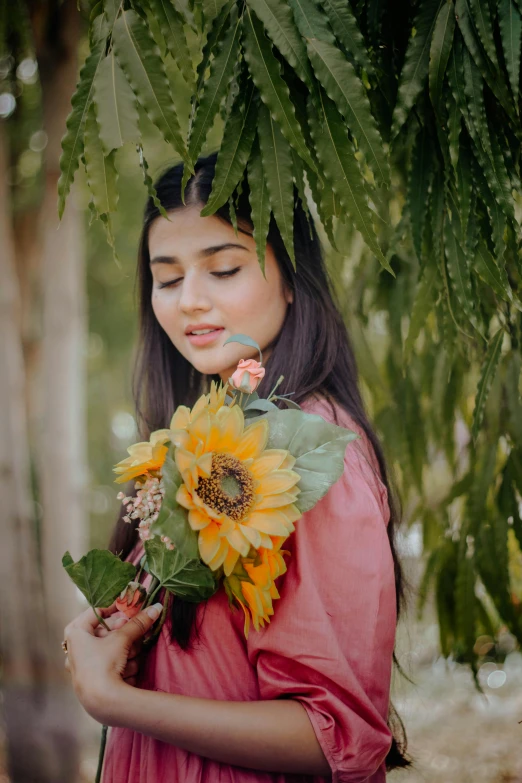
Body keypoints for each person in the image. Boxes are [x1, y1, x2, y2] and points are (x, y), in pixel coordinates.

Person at [64, 153, 411, 782]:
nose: (190, 301)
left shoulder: (311, 448)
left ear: (290, 279)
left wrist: (117, 702)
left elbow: (339, 739)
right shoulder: (204, 435)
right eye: (167, 279)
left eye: (224, 268)